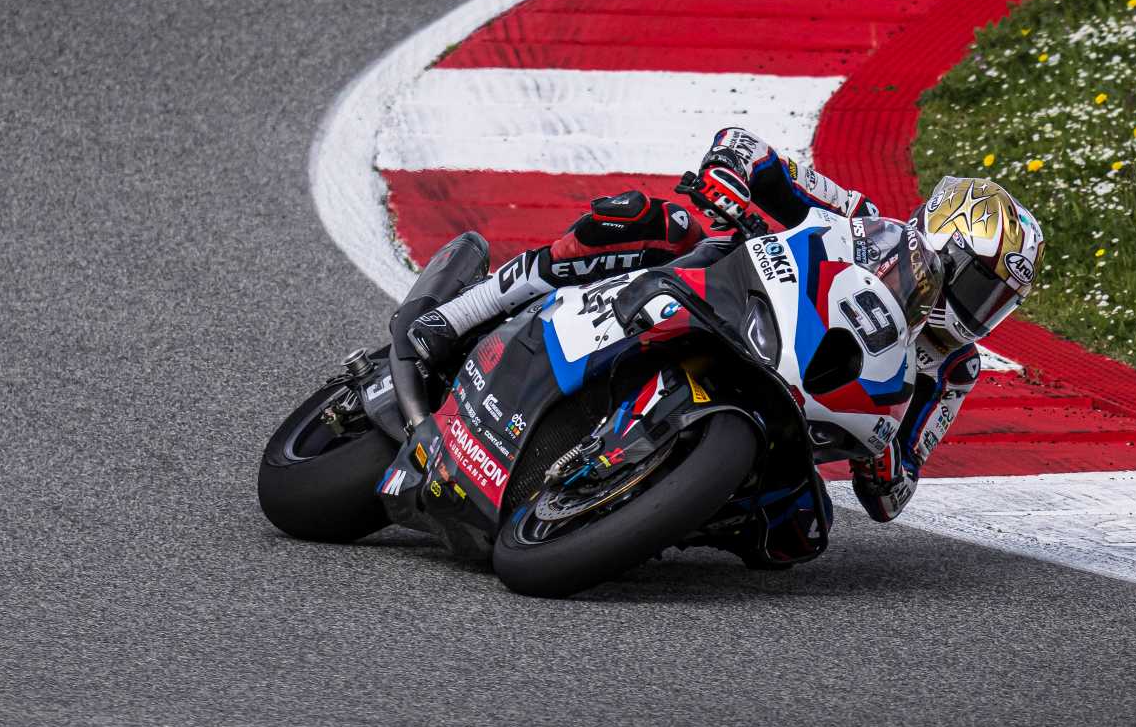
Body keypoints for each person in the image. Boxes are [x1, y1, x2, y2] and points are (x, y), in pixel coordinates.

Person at [394, 126, 1043, 540]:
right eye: (976, 286)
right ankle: (459, 316)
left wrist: (884, 459)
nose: (978, 311)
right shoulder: (860, 219)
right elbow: (754, 153)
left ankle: (643, 511)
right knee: (648, 223)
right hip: (738, 302)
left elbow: (894, 495)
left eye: (997, 301)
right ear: (939, 239)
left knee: (796, 533)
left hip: (795, 417)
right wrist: (729, 177)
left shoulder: (954, 369)